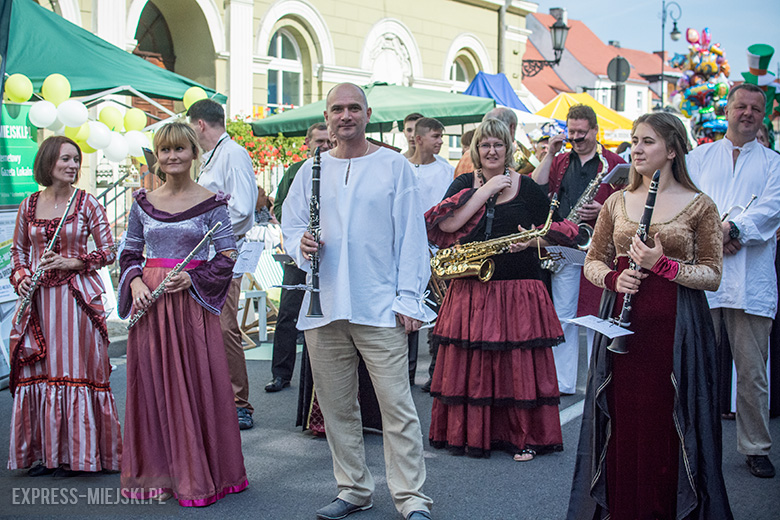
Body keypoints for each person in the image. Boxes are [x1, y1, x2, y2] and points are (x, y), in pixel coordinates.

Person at [568, 112, 732, 519]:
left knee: (669, 423)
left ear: (673, 149)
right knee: (624, 420)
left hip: (677, 330)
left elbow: (712, 274)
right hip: (622, 326)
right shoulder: (616, 201)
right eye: (634, 141)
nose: (636, 150)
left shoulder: (700, 206)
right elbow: (592, 261)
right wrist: (612, 280)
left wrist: (665, 265)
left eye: (647, 142)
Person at [282, 83, 434, 520]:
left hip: (379, 303)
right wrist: (299, 244)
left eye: (353, 108)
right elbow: (289, 227)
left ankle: (411, 499)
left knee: (397, 407)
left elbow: (411, 237)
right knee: (336, 407)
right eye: (337, 109)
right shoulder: (310, 168)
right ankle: (353, 489)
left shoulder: (392, 166)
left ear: (368, 114)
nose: (345, 115)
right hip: (324, 303)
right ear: (327, 117)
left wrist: (409, 298)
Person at [426, 118, 578, 461]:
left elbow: (557, 230)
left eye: (498, 145)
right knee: (474, 367)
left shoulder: (528, 188)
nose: (491, 151)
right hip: (472, 291)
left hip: (519, 289)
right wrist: (485, 191)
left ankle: (521, 437)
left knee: (516, 368)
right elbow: (447, 223)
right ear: (476, 150)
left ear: (508, 148)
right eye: (485, 145)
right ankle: (473, 436)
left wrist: (531, 241)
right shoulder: (465, 182)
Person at [118, 122, 247, 505]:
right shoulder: (142, 202)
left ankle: (200, 473)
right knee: (154, 385)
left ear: (194, 153)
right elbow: (128, 254)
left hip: (190, 306)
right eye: (165, 151)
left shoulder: (213, 202)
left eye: (180, 150)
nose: (172, 157)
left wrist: (192, 279)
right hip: (151, 306)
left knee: (196, 385)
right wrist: (137, 283)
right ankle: (159, 473)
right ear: (157, 157)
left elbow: (227, 256)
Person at [7, 136, 121, 478]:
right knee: (41, 373)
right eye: (65, 159)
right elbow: (17, 253)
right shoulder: (28, 205)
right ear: (47, 163)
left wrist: (73, 262)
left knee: (74, 371)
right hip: (39, 302)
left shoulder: (87, 203)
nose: (72, 165)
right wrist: (22, 277)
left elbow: (109, 251)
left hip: (76, 301)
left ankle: (79, 455)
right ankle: (46, 454)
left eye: (76, 160)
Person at [688, 83, 780, 479]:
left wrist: (733, 229)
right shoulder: (699, 157)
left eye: (755, 108)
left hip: (750, 282)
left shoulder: (774, 163)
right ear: (727, 110)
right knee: (695, 365)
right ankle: (690, 440)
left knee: (752, 372)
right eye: (740, 106)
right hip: (704, 277)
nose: (747, 113)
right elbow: (686, 202)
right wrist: (714, 235)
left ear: (763, 115)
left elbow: (771, 209)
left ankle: (755, 446)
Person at [531, 104, 625, 395]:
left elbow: (630, 202)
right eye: (571, 132)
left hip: (601, 246)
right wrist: (549, 152)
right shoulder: (560, 160)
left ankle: (600, 379)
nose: (576, 138)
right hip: (566, 242)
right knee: (564, 314)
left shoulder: (615, 163)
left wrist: (603, 208)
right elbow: (536, 186)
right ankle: (564, 382)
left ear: (596, 130)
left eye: (582, 133)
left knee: (598, 315)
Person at [187, 99, 257, 430]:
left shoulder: (233, 154)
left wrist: (203, 232)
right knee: (207, 328)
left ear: (200, 124)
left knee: (226, 327)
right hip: (205, 256)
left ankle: (240, 402)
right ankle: (216, 398)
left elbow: (243, 210)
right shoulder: (212, 158)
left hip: (224, 256)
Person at [266, 122, 331, 393]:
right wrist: (301, 230)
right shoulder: (295, 171)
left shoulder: (340, 168)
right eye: (319, 141)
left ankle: (321, 379)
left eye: (328, 141)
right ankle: (281, 373)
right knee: (288, 314)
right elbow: (280, 206)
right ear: (307, 143)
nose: (324, 146)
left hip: (328, 254)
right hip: (299, 254)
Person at [406, 117, 454, 387]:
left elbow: (448, 209)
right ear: (419, 138)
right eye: (436, 136)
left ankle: (436, 373)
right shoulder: (400, 165)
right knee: (407, 309)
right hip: (407, 249)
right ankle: (406, 373)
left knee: (439, 310)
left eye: (441, 136)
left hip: (437, 248)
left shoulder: (446, 170)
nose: (440, 141)